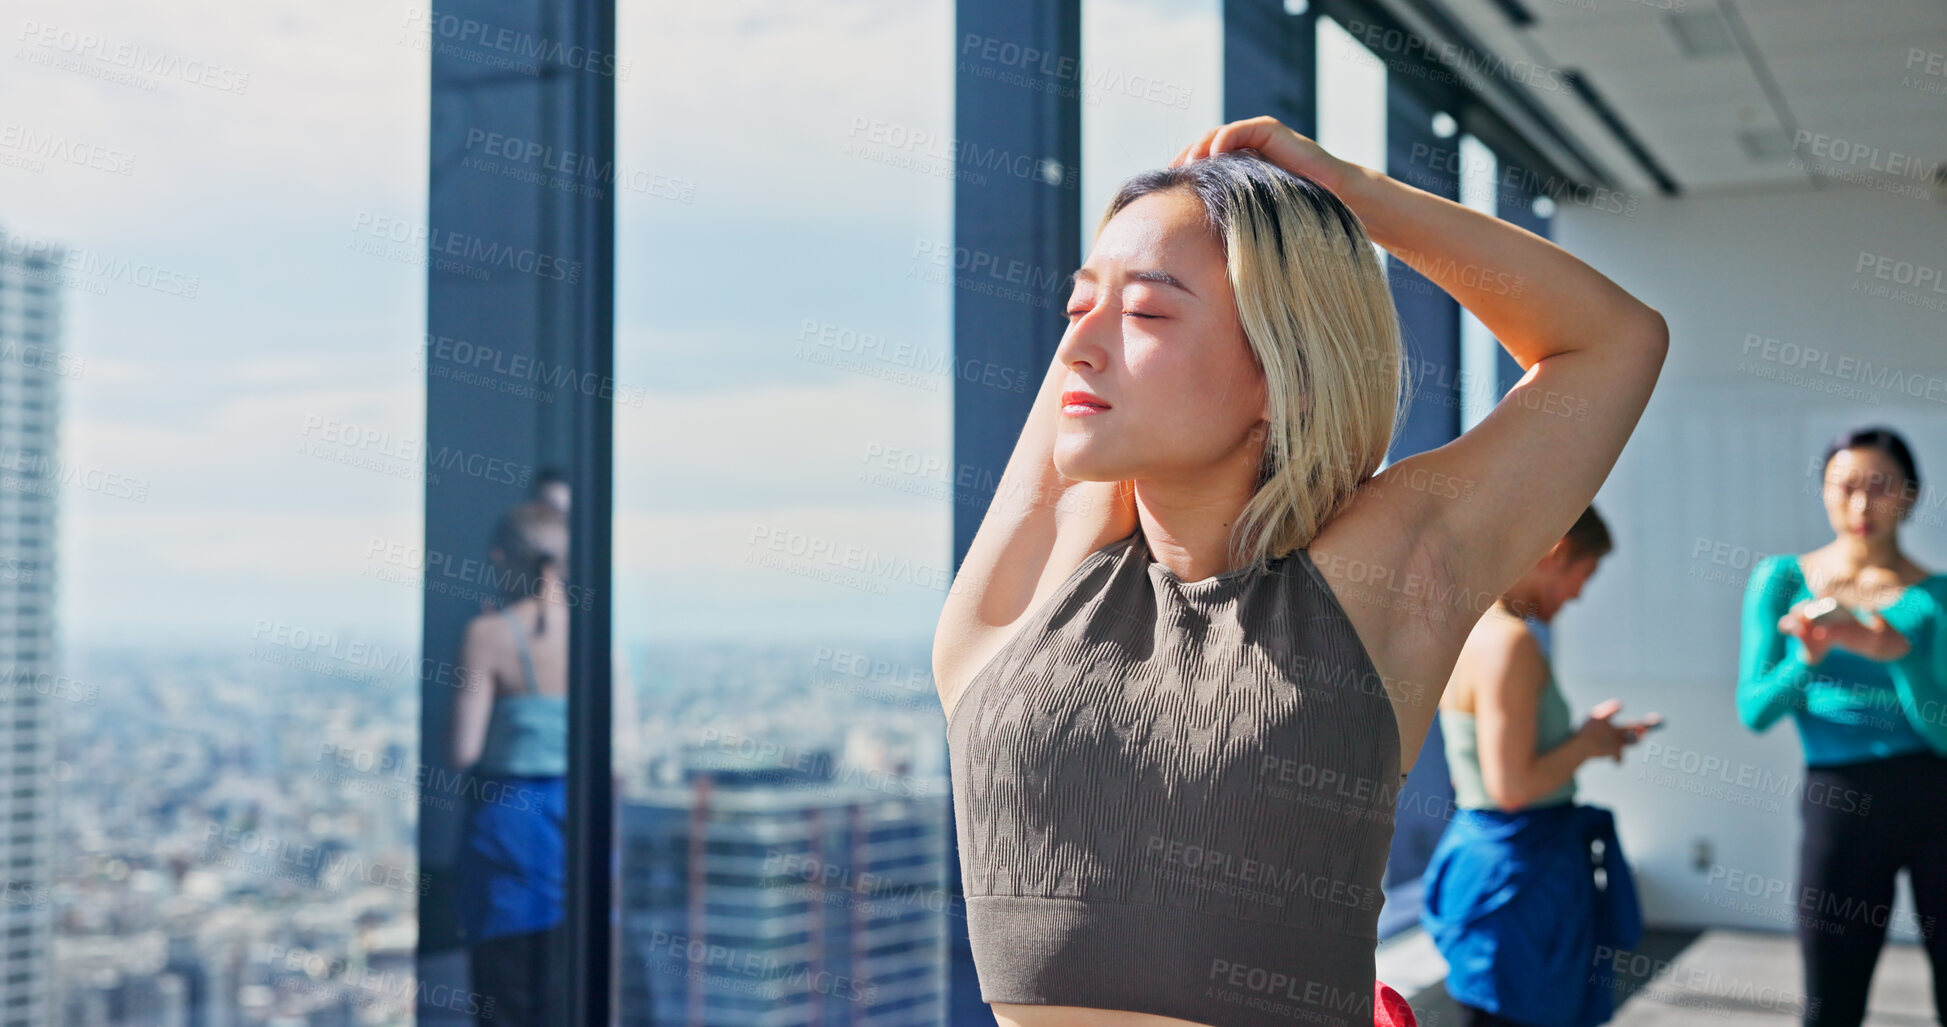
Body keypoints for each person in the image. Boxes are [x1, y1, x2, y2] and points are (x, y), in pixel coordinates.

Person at [934, 115, 1666, 1027]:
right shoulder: (1032, 595)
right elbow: (1085, 370)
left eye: (1148, 313)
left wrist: (1354, 198)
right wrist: (1129, 267)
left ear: (1287, 369)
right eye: (1077, 306)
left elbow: (1612, 343)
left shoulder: (1366, 588)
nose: (1078, 347)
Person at [1737, 426, 1947, 1026]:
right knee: (1832, 998)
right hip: (1840, 801)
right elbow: (1754, 711)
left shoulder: (1935, 596)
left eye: (1880, 487)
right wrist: (1807, 660)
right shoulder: (1781, 580)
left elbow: (1945, 733)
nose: (1861, 506)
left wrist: (1897, 653)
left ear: (1909, 495)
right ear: (1824, 492)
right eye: (1845, 487)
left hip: (1937, 797)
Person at [1420, 505, 1657, 1027]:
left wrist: (1581, 741)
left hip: (1484, 861)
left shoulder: (1470, 630)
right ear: (1557, 553)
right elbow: (1511, 786)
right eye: (1583, 576)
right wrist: (1587, 743)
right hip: (1522, 881)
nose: (1577, 595)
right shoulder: (1512, 643)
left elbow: (1485, 770)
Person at [447, 500, 572, 1026]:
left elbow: (461, 751)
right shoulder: (591, 630)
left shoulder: (489, 634)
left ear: (502, 558)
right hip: (574, 824)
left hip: (509, 834)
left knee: (506, 1000)